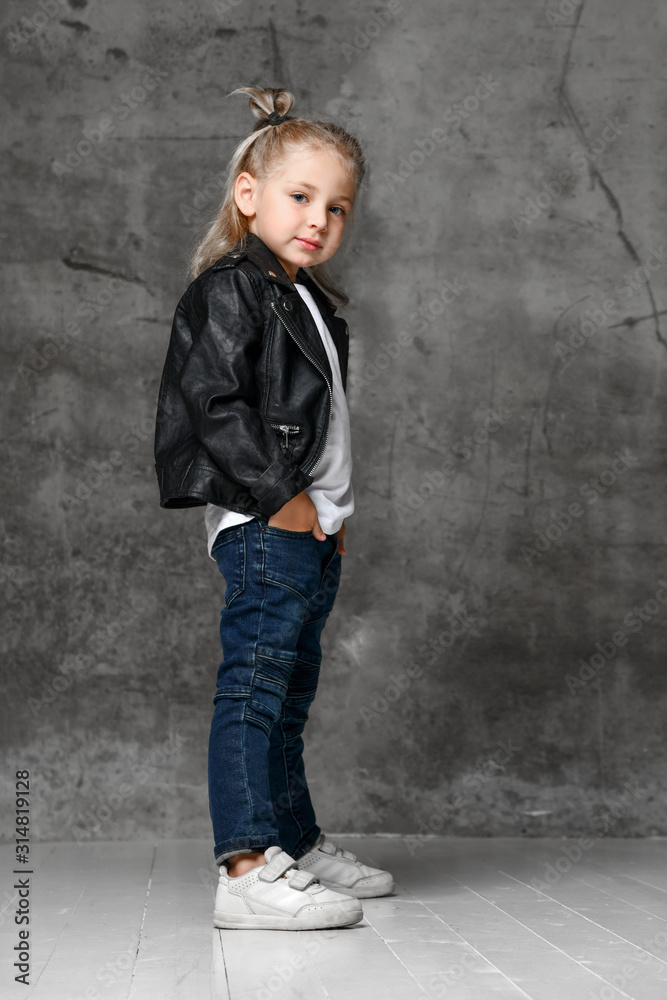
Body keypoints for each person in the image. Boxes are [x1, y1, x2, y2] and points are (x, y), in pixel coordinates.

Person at [153, 85, 395, 930]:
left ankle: (294, 840)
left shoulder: (308, 299)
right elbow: (215, 408)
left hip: (313, 528)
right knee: (254, 688)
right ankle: (246, 866)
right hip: (267, 524)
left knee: (289, 694)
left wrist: (330, 517)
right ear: (249, 195)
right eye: (300, 197)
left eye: (336, 207)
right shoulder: (229, 291)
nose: (319, 219)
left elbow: (321, 430)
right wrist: (286, 504)